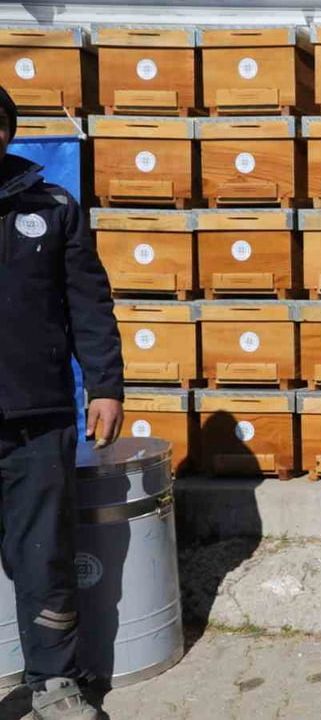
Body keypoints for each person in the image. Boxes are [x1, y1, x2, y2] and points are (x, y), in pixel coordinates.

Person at [0, 84, 122, 719]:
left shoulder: (50, 207)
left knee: (44, 554)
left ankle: (54, 683)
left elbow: (88, 304)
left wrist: (104, 385)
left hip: (37, 419)